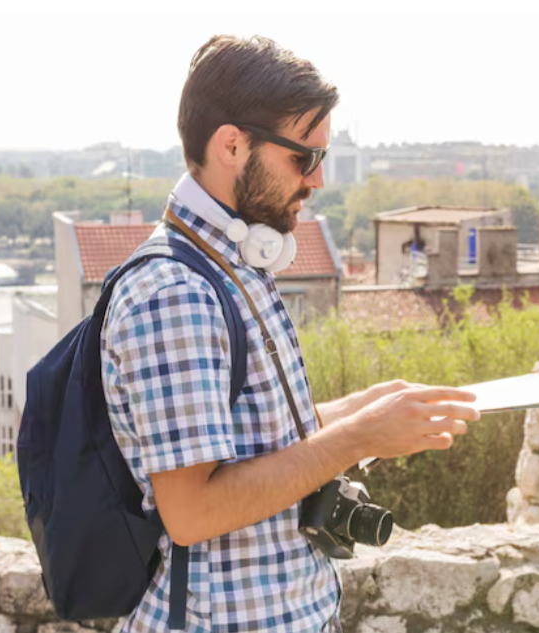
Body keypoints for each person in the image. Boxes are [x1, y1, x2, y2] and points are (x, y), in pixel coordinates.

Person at [100, 34, 480, 633]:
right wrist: (357, 437)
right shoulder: (175, 294)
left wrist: (358, 411)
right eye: (304, 157)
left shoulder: (235, 262)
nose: (317, 179)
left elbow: (249, 440)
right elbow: (193, 511)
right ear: (232, 145)